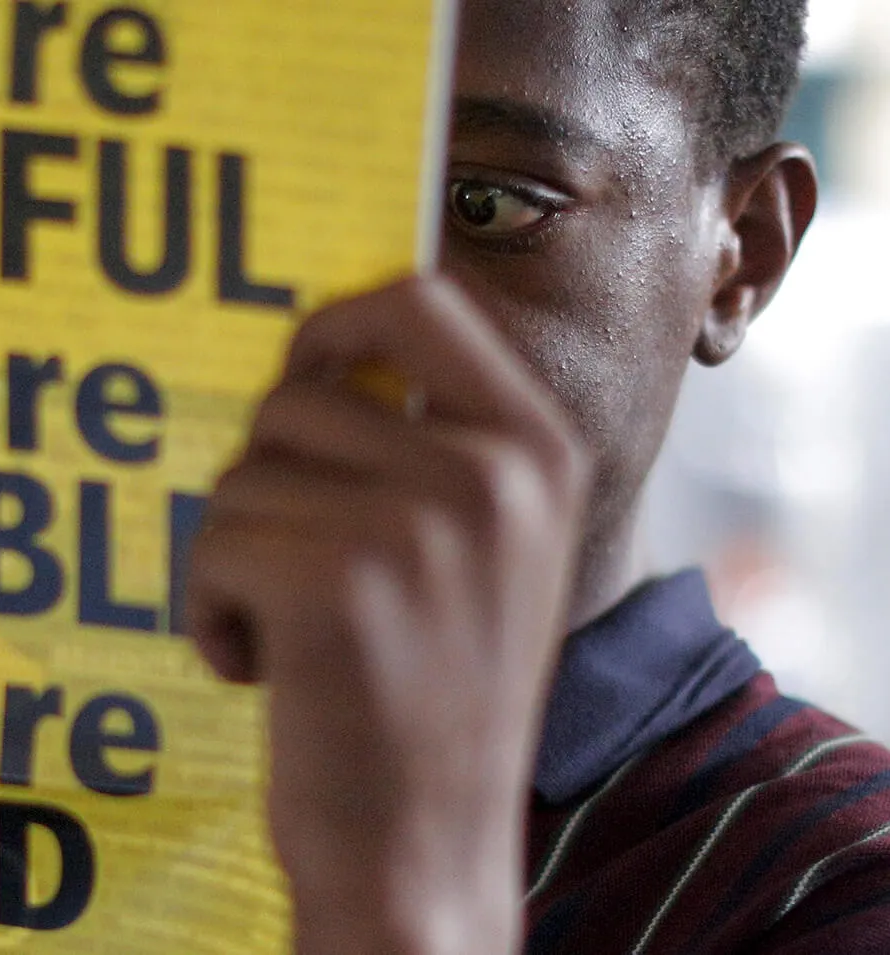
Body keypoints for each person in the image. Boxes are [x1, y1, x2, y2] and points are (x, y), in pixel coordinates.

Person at [182, 0, 890, 952]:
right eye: (242, 191)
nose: (330, 307)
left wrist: (409, 890)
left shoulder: (832, 883)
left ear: (741, 258)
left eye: (486, 203)